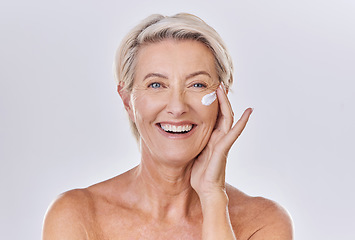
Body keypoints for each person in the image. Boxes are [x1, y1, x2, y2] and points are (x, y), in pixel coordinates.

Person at [42, 13, 293, 239]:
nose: (177, 107)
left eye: (197, 85)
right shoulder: (76, 215)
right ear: (127, 100)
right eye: (156, 85)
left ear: (221, 100)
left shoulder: (263, 223)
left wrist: (212, 197)